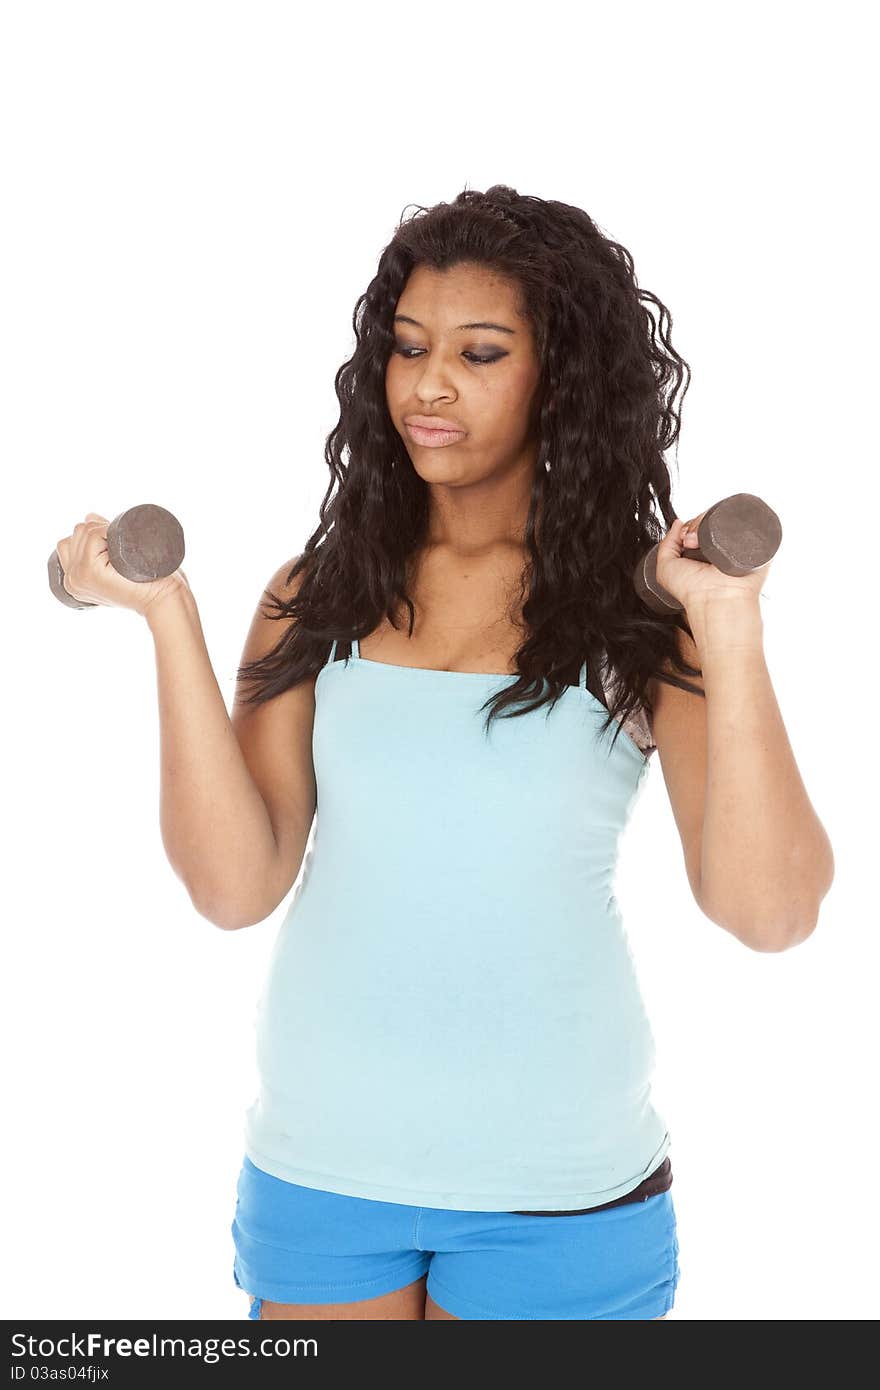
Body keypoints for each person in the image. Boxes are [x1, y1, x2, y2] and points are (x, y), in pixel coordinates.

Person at [55, 185, 834, 1321]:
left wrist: (725, 622)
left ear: (556, 377)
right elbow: (234, 887)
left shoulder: (638, 612)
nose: (427, 385)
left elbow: (770, 913)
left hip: (562, 1182)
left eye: (479, 353)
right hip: (323, 1166)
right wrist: (167, 612)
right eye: (408, 348)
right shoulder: (317, 594)